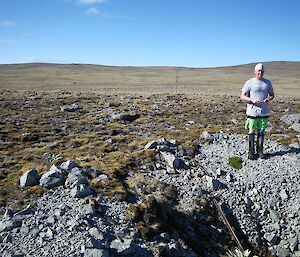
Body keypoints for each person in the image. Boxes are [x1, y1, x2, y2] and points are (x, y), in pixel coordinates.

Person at [240, 63, 275, 160]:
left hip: (264, 111)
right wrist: (251, 100)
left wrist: (268, 99)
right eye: (258, 71)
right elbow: (242, 96)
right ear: (255, 71)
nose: (260, 72)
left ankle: (260, 152)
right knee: (251, 131)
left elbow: (272, 95)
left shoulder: (267, 83)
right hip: (252, 112)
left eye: (262, 71)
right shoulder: (249, 82)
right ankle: (251, 152)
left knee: (261, 131)